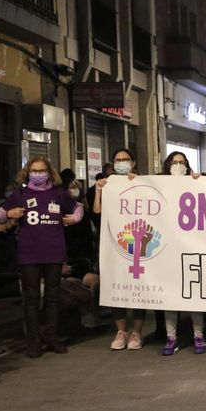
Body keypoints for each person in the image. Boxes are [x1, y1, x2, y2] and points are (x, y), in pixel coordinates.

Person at [0, 156, 83, 357]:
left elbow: (78, 207)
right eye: (34, 170)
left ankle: (52, 337)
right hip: (29, 254)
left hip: (54, 252)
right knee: (31, 299)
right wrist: (9, 214)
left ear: (49, 172)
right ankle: (33, 340)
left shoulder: (58, 193)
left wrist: (75, 217)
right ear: (27, 172)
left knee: (52, 298)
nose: (38, 174)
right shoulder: (20, 194)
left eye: (42, 170)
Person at [94, 149, 146, 351]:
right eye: (117, 160)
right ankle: (121, 332)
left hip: (139, 240)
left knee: (139, 287)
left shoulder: (142, 182)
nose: (121, 163)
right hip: (114, 242)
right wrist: (99, 190)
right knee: (117, 285)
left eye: (125, 159)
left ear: (133, 162)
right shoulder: (108, 184)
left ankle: (137, 332)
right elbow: (97, 210)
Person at [158, 152, 206, 355]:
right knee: (171, 295)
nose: (178, 165)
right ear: (167, 165)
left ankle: (198, 335)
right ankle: (171, 337)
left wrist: (199, 182)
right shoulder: (158, 184)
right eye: (174, 162)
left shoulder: (193, 183)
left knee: (193, 293)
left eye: (182, 162)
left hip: (189, 246)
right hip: (167, 248)